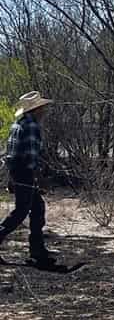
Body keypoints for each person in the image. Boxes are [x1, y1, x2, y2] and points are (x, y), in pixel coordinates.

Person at [0, 92, 58, 270]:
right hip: (25, 172)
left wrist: (12, 178)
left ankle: (37, 250)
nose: (44, 111)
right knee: (21, 211)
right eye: (42, 108)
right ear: (37, 109)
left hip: (17, 171)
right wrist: (38, 179)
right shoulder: (32, 126)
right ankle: (36, 250)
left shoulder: (18, 124)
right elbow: (31, 157)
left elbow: (9, 154)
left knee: (37, 207)